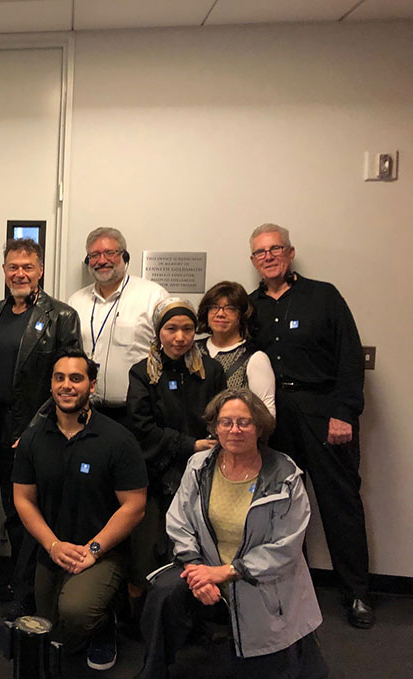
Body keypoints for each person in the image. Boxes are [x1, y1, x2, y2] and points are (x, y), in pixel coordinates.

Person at [139, 388, 327, 679]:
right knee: (163, 593)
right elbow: (180, 522)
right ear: (214, 427)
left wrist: (225, 572)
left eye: (244, 422)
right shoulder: (198, 466)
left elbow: (285, 549)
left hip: (260, 578)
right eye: (225, 422)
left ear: (259, 427)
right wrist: (196, 568)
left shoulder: (285, 475)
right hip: (204, 569)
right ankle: (153, 671)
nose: (234, 430)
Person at [247, 223, 373, 628]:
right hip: (273, 417)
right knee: (277, 508)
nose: (268, 256)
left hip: (324, 412)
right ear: (253, 260)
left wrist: (344, 413)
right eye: (259, 252)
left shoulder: (324, 296)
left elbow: (350, 358)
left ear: (290, 252)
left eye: (275, 248)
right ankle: (284, 590)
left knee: (340, 503)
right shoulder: (250, 307)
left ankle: (357, 594)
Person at [14, 348, 147, 671]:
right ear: (50, 385)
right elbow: (23, 499)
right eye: (59, 378)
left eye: (76, 378)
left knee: (77, 613)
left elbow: (135, 506)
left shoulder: (117, 438)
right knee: (51, 628)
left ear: (91, 385)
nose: (66, 385)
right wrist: (53, 545)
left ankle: (105, 625)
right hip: (54, 547)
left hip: (102, 550)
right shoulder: (33, 438)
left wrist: (94, 549)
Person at [0, 237, 81, 608]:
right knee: (13, 511)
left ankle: (40, 590)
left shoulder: (62, 316)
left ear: (41, 271)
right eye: (13, 266)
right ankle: (20, 581)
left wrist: (34, 429)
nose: (20, 273)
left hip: (41, 431)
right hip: (0, 428)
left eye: (27, 267)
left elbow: (69, 380)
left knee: (42, 511)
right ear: (4, 271)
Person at [127, 298, 225, 585]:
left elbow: (219, 416)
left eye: (187, 328)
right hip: (155, 471)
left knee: (198, 548)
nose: (180, 337)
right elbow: (141, 426)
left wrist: (205, 447)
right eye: (171, 328)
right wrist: (188, 445)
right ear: (158, 331)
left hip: (202, 471)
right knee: (150, 550)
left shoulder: (211, 371)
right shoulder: (142, 372)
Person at [67, 227, 167, 423]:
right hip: (86, 411)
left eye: (109, 253)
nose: (102, 260)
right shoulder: (76, 301)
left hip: (136, 412)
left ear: (125, 256)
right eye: (94, 255)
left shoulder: (153, 296)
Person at [195, 281, 275, 415]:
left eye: (230, 308)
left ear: (242, 315)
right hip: (190, 435)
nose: (220, 314)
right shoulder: (192, 351)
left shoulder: (254, 358)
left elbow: (267, 415)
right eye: (214, 307)